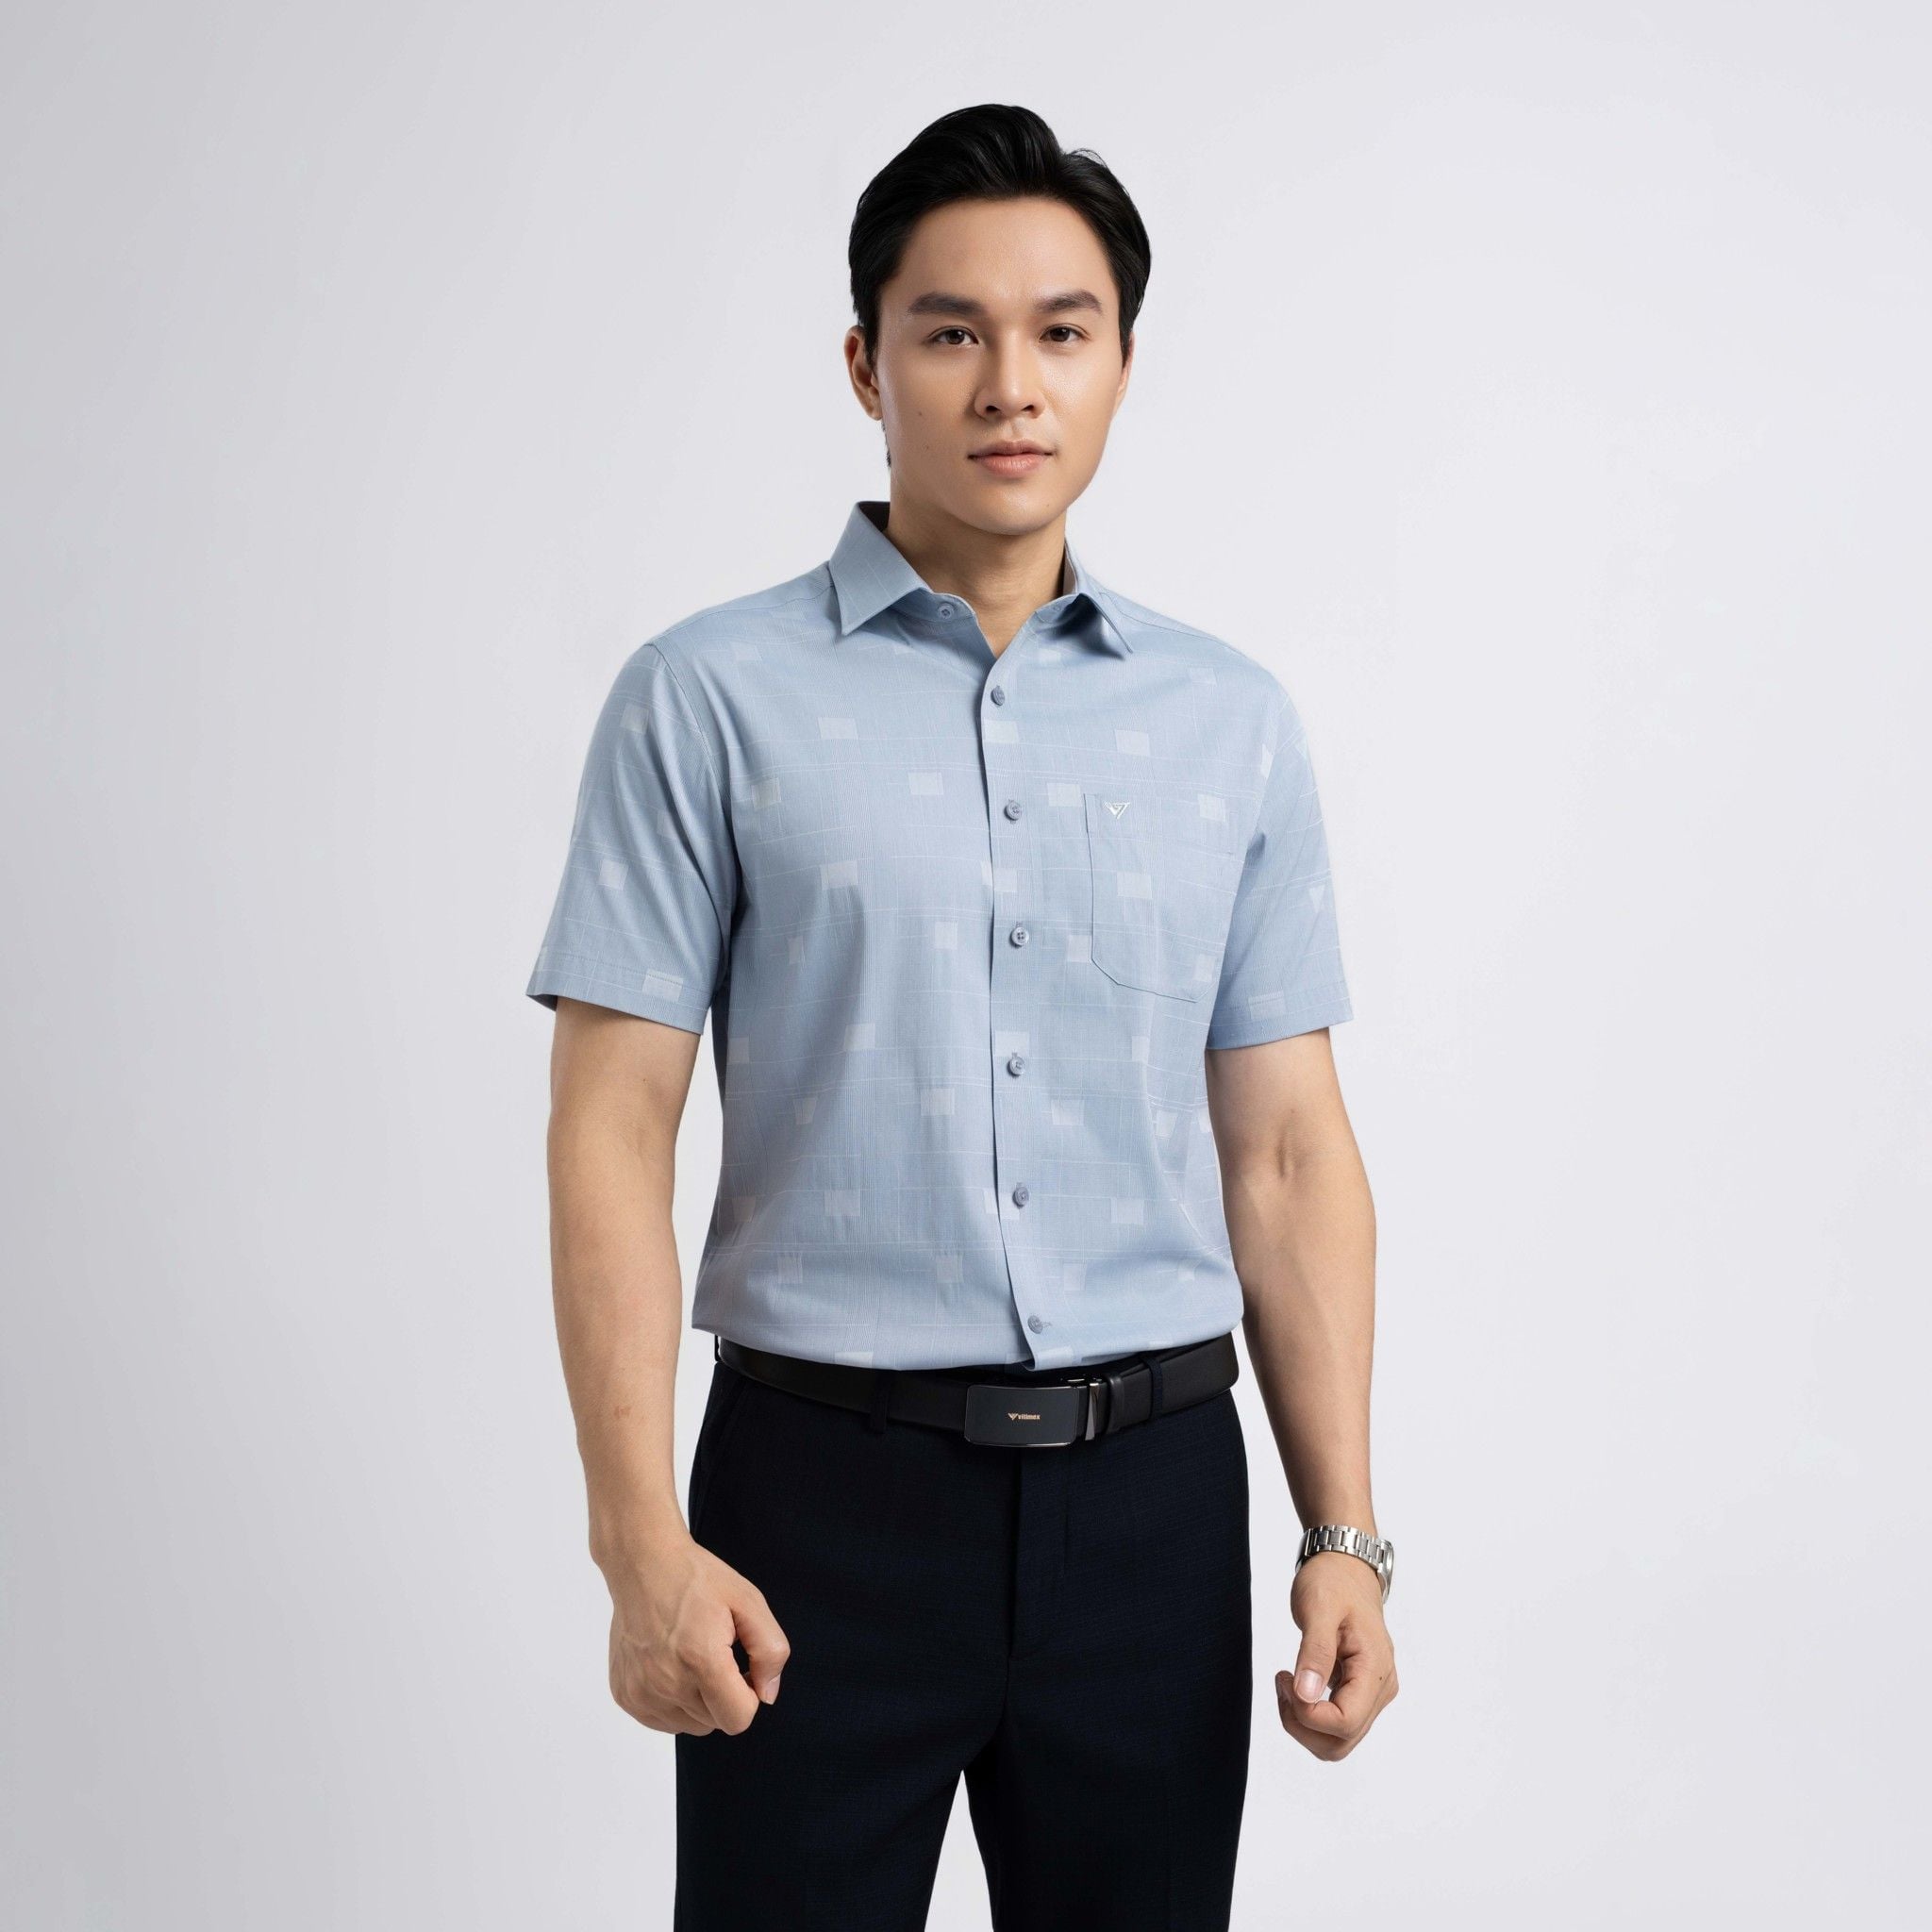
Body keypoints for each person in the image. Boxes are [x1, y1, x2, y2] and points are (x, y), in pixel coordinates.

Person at [525, 100, 1397, 1932]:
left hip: (1153, 1513)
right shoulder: (705, 700)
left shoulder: (1229, 723)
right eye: (950, 332)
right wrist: (637, 1543)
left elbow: (1287, 1153)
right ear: (866, 364)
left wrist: (1342, 1534)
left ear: (1121, 363)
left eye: (1061, 331)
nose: (1011, 384)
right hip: (813, 1510)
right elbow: (611, 1127)